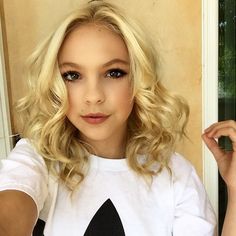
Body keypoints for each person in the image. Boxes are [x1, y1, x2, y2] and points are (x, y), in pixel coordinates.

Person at [0, 1, 235, 235]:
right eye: (72, 75)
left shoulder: (176, 174)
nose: (93, 96)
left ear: (139, 79)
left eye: (114, 73)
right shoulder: (38, 159)